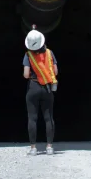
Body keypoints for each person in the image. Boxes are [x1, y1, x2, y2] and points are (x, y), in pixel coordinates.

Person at [22, 26, 58, 156]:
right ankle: (49, 147)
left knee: (32, 118)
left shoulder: (28, 55)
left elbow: (26, 74)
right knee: (49, 118)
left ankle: (33, 148)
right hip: (47, 88)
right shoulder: (49, 53)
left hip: (33, 87)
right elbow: (55, 71)